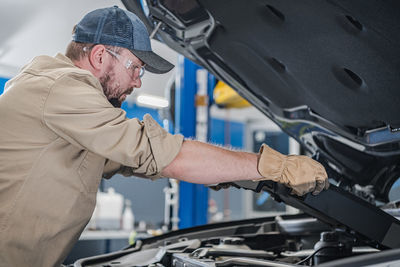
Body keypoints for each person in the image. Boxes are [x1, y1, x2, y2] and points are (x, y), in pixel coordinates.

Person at [0, 6, 329, 267]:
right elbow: (154, 151)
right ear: (100, 56)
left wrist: (230, 171)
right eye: (136, 67)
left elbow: (142, 161)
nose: (138, 82)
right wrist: (272, 165)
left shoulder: (66, 102)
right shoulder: (61, 87)